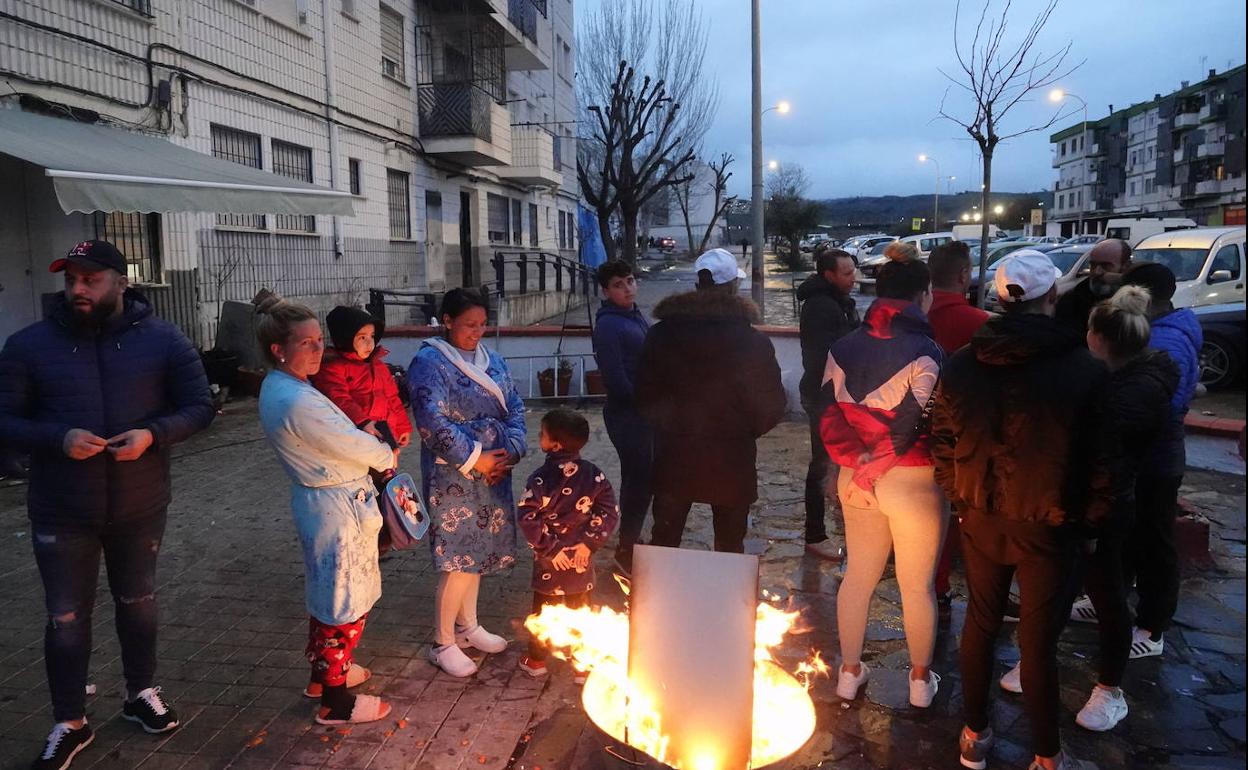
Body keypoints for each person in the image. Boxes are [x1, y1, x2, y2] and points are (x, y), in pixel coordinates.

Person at [0, 240, 214, 769]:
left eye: (90, 279)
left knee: (138, 604)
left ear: (121, 282)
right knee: (66, 619)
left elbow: (200, 406)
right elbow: (4, 418)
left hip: (139, 504)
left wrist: (153, 433)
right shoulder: (28, 345)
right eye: (70, 278)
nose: (77, 288)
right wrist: (57, 438)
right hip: (61, 509)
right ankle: (69, 722)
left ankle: (141, 692)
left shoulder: (163, 340)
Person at [933, 250, 1111, 770]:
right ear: (1050, 296)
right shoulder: (1083, 369)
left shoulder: (963, 363)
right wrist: (1093, 521)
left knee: (981, 624)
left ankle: (974, 735)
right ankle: (1047, 756)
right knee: (1037, 640)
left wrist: (961, 497)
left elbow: (942, 440)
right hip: (1051, 525)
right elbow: (1105, 460)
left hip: (983, 518)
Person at [258, 302, 396, 726]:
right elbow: (352, 444)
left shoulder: (290, 387)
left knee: (329, 592)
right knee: (343, 601)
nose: (318, 351)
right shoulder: (296, 399)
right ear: (279, 349)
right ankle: (336, 702)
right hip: (335, 505)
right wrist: (384, 452)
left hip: (331, 500)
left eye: (320, 342)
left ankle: (324, 675)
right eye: (307, 344)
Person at [819, 251, 946, 709]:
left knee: (858, 577)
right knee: (917, 586)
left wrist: (860, 464)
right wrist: (878, 465)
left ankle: (849, 674)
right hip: (913, 479)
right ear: (924, 294)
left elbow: (828, 416)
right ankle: (918, 683)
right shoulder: (928, 352)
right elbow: (915, 419)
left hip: (855, 477)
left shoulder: (843, 346)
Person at [408, 288, 527, 678]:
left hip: (495, 471)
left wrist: (511, 447)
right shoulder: (429, 362)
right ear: (446, 321)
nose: (476, 333)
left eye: (481, 325)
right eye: (468, 326)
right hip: (454, 473)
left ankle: (468, 625)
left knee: (478, 553)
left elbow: (515, 406)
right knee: (458, 556)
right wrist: (476, 457)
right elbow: (431, 421)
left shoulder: (492, 360)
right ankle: (443, 642)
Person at [635, 248, 786, 553]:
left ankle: (659, 599)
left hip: (674, 454)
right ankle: (727, 600)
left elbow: (644, 395)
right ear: (733, 288)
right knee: (730, 545)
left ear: (697, 286)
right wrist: (740, 431)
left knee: (665, 541)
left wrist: (672, 427)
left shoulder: (660, 335)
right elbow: (770, 404)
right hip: (732, 457)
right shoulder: (752, 341)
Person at [1118, 263, 1201, 658]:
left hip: (1156, 460)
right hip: (1147, 457)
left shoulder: (1166, 342)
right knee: (1134, 535)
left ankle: (1152, 627)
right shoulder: (1163, 333)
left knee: (1155, 541)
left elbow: (1159, 408)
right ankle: (1121, 602)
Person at [516, 409, 619, 678]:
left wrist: (550, 547)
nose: (539, 437)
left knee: (543, 612)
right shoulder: (593, 475)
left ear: (555, 444)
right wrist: (589, 544)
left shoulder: (540, 479)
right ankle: (582, 665)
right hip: (580, 559)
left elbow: (527, 516)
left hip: (550, 559)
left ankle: (537, 660)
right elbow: (609, 511)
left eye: (542, 433)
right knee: (580, 608)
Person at [925, 240, 992, 607]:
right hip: (968, 436)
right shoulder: (979, 324)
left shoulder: (913, 317)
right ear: (965, 275)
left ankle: (933, 582)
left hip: (916, 434)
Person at [797, 246, 860, 561]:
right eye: (847, 273)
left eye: (853, 271)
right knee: (822, 465)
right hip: (826, 397)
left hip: (833, 395)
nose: (853, 278)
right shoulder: (822, 306)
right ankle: (815, 533)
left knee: (833, 464)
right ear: (829, 275)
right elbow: (826, 354)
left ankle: (834, 528)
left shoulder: (836, 301)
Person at [591, 260, 651, 575]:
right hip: (627, 415)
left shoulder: (634, 315)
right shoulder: (609, 326)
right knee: (639, 480)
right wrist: (646, 401)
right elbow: (615, 380)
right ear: (605, 291)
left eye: (629, 281)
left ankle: (632, 541)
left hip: (643, 412)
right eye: (618, 284)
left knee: (641, 479)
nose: (627, 288)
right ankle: (626, 550)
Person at [311, 306, 413, 455]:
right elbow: (339, 399)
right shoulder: (333, 368)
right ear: (345, 338)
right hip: (359, 434)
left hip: (386, 431)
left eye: (372, 336)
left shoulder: (378, 365)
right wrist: (363, 421)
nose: (369, 343)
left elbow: (392, 398)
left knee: (389, 469)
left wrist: (402, 426)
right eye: (362, 337)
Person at [1055, 238, 1132, 336]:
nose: (1097, 272)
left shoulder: (1135, 300)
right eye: (1093, 265)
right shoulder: (1074, 299)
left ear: (1126, 266)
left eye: (1106, 266)